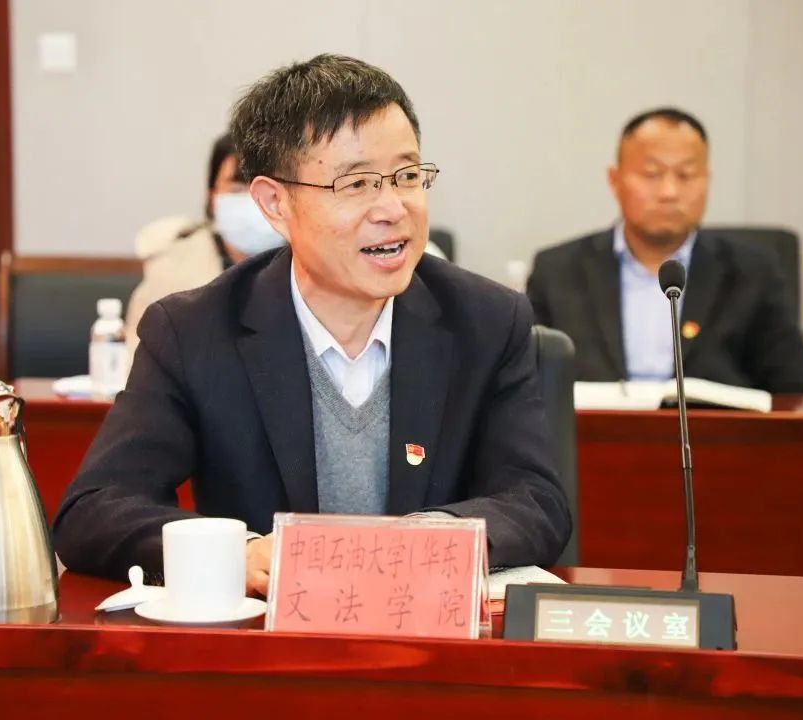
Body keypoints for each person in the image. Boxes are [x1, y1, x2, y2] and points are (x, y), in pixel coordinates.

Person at [53, 54, 571, 594]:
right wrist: (235, 553)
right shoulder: (194, 331)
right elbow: (94, 510)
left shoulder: (486, 321)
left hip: (428, 629)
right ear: (275, 203)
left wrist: (430, 540)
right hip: (271, 639)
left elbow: (535, 500)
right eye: (357, 184)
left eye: (407, 176)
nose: (393, 208)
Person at [527, 108, 803, 393]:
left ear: (707, 180)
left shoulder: (753, 273)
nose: (669, 192)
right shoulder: (557, 272)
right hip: (593, 427)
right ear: (614, 180)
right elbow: (527, 385)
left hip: (711, 427)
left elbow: (795, 391)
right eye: (651, 174)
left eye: (686, 175)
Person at [124, 134, 285, 358]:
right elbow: (139, 361)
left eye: (266, 189)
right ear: (212, 198)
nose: (254, 200)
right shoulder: (172, 268)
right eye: (238, 187)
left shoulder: (315, 264)